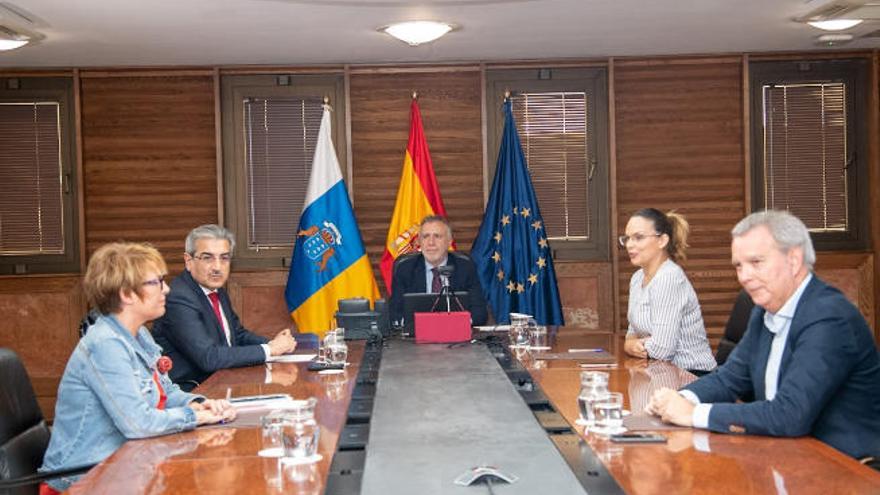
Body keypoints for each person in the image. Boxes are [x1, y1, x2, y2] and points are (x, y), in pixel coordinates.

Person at [647, 210, 880, 460]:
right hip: (787, 455)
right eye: (739, 266)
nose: (744, 277)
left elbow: (790, 415)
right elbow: (728, 379)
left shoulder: (829, 317)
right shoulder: (765, 310)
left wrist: (693, 414)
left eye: (756, 262)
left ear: (793, 260)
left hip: (846, 468)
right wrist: (678, 399)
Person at [38, 243, 234, 493]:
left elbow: (167, 392)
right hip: (85, 480)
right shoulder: (105, 344)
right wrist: (194, 417)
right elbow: (138, 423)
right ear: (126, 294)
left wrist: (199, 403)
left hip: (129, 468)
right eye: (156, 282)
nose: (167, 288)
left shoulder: (139, 334)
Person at [152, 225, 298, 391]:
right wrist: (269, 349)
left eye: (224, 258)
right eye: (208, 258)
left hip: (223, 383)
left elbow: (237, 335)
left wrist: (274, 344)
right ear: (188, 261)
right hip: (194, 393)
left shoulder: (215, 290)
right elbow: (209, 358)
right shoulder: (178, 298)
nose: (217, 267)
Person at [621, 208, 716, 374]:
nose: (629, 244)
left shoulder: (669, 277)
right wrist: (629, 344)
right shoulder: (637, 278)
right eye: (627, 238)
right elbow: (631, 333)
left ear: (662, 240)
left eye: (638, 237)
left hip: (691, 374)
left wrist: (633, 345)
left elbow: (662, 350)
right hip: (658, 371)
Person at [389, 215, 489, 326]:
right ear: (419, 242)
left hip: (455, 335)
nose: (431, 242)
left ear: (449, 241)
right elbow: (395, 313)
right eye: (425, 236)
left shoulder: (465, 267)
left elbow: (480, 313)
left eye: (437, 236)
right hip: (416, 337)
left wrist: (456, 323)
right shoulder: (405, 269)